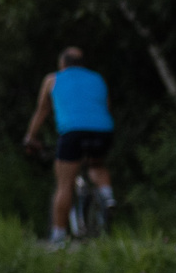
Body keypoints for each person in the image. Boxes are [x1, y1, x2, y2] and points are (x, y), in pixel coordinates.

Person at [23, 45, 115, 247]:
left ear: (62, 63)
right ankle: (107, 196)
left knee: (64, 184)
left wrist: (30, 138)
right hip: (103, 131)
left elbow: (42, 111)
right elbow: (106, 108)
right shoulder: (97, 78)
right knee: (96, 165)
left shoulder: (53, 79)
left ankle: (58, 237)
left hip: (73, 132)